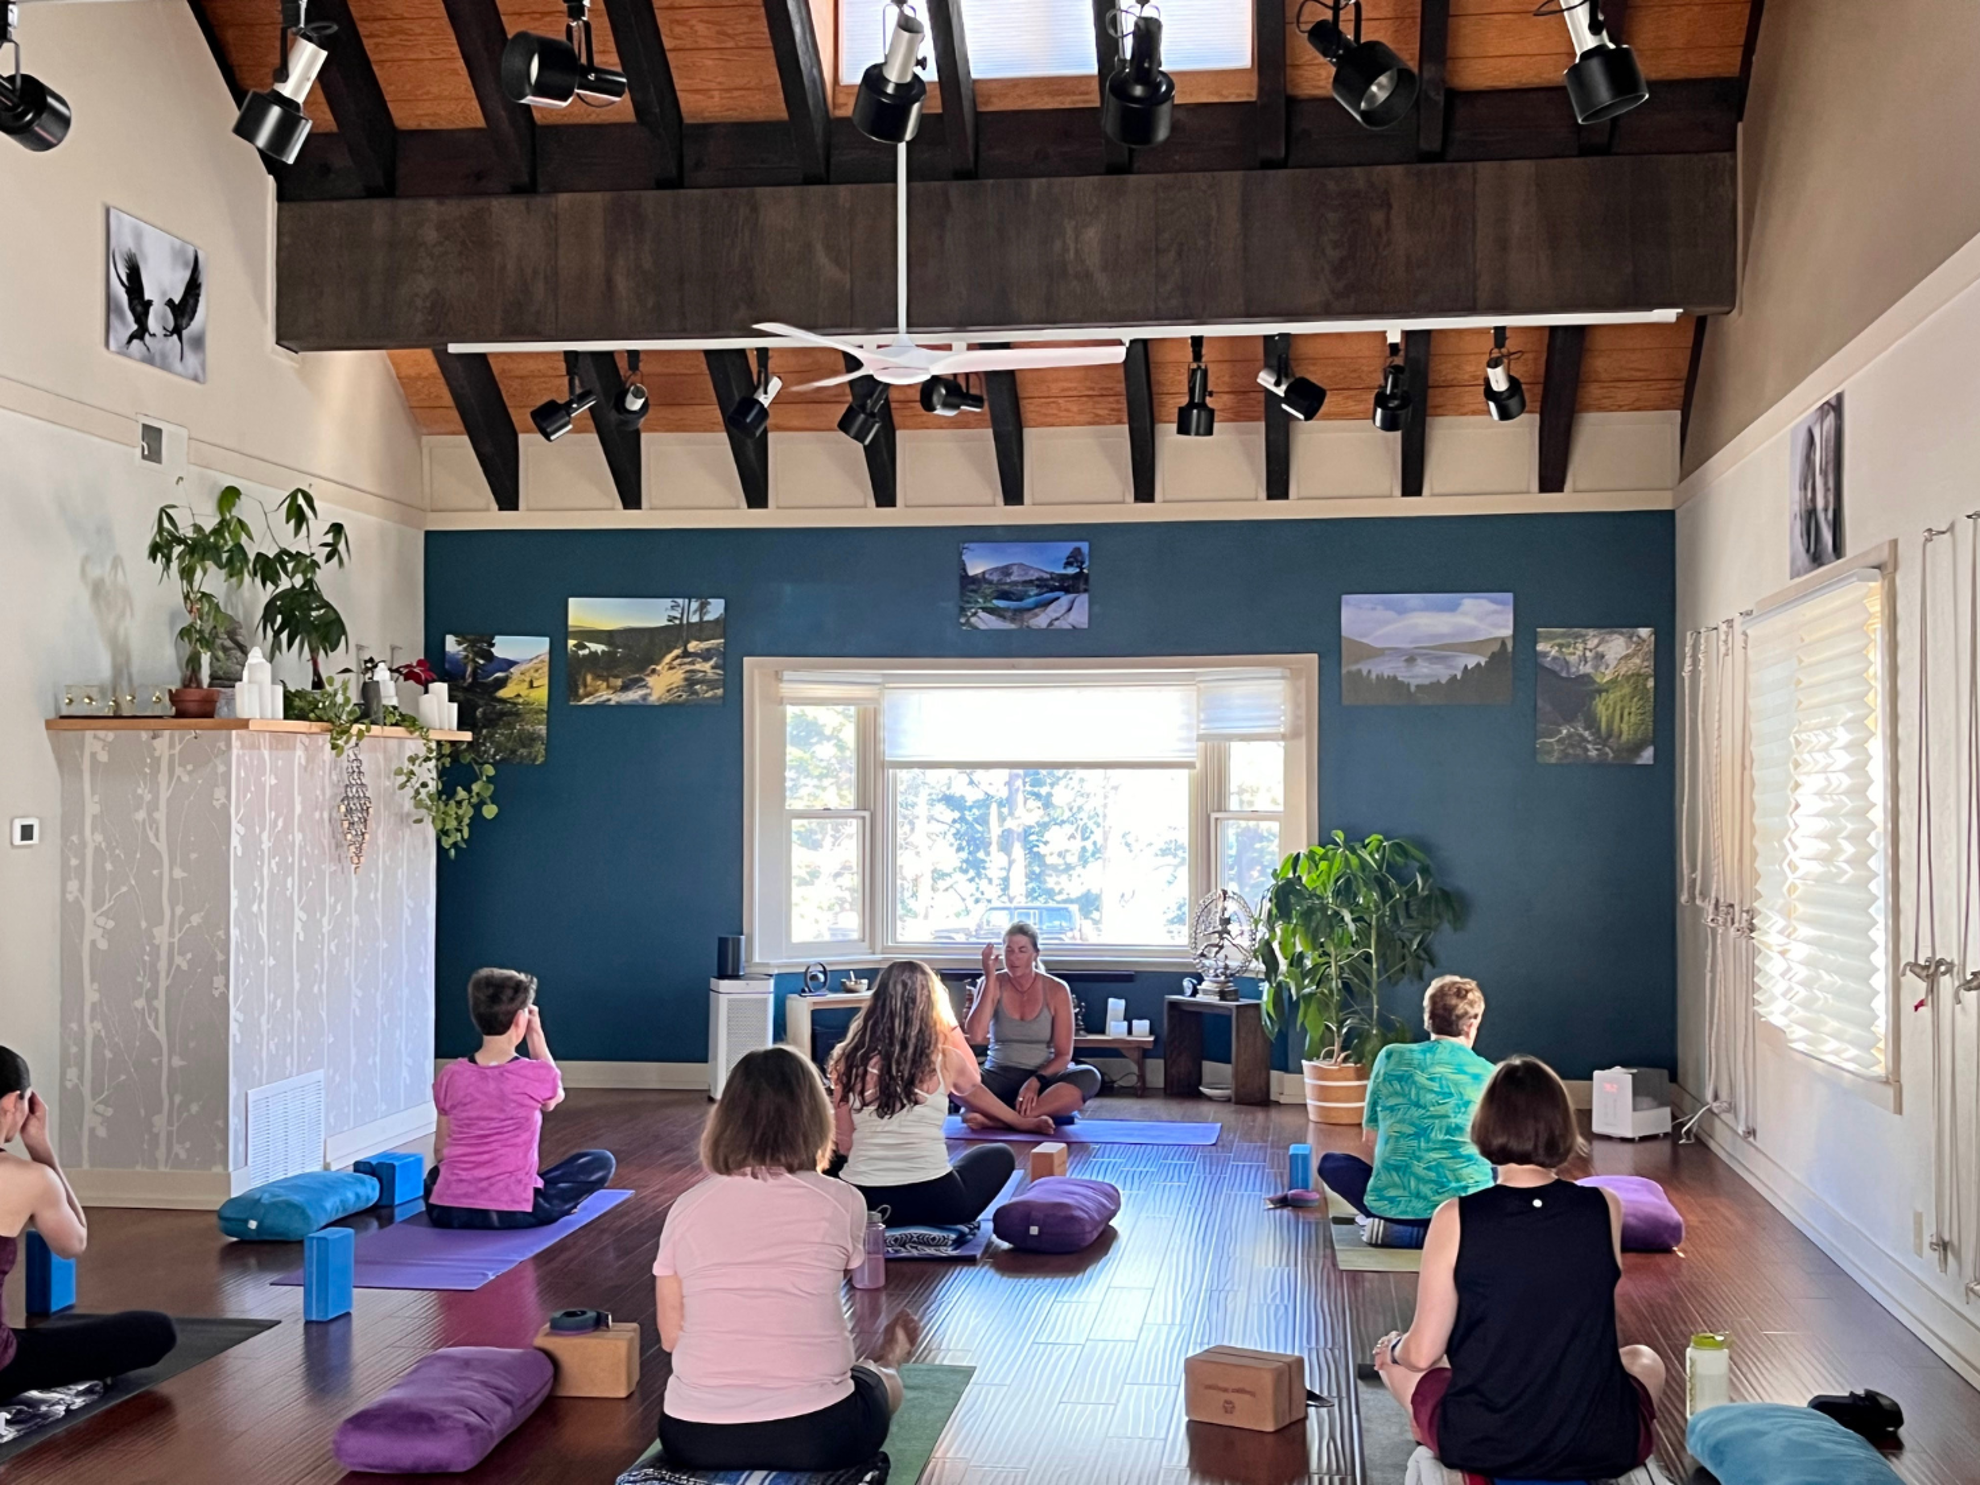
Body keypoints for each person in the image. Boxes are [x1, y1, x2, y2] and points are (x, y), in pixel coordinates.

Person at [1372, 1055, 1666, 1481]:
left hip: (1486, 1442)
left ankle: (1437, 1445)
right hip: (1601, 1441)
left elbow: (1423, 1352)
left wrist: (1393, 1348)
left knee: (1407, 1365)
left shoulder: (1456, 1216)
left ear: (1487, 1125)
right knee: (1644, 1360)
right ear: (1562, 1127)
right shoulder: (1606, 1207)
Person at [655, 1046, 921, 1472]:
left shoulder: (686, 1207)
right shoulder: (842, 1201)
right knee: (880, 1384)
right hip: (819, 1435)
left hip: (693, 1436)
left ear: (725, 1120)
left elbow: (671, 1338)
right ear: (814, 1121)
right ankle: (887, 1363)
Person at [0, 1047, 177, 1400]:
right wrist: (41, 1147)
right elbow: (72, 1243)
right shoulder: (29, 1179)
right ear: (12, 1103)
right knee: (153, 1330)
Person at [831, 961, 1042, 1226]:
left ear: (877, 1003)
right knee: (999, 1154)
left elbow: (846, 1144)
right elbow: (973, 1082)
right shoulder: (946, 1058)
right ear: (932, 1006)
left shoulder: (846, 1060)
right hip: (939, 1204)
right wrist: (949, 1024)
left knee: (828, 1166)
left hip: (867, 1206)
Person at [424, 968, 615, 1230]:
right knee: (601, 1161)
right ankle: (548, 1205)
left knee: (436, 1176)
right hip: (515, 1211)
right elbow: (553, 1096)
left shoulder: (450, 1074)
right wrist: (536, 1034)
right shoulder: (535, 1074)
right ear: (520, 1020)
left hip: (446, 1210)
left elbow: (441, 1151)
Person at [1319, 975, 1495, 1240]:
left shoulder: (1391, 1056)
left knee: (1332, 1163)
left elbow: (1371, 1139)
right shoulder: (1491, 1074)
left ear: (1428, 1019)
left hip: (1392, 1209)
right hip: (1465, 1213)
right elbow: (1495, 1150)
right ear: (1472, 1025)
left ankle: (1400, 1231)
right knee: (1497, 1175)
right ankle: (1448, 1237)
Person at [961, 923, 1101, 1127]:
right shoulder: (991, 982)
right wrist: (990, 979)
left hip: (1043, 1080)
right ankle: (1023, 1120)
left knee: (1089, 1076)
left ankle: (999, 1120)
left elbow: (1063, 1055)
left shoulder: (1057, 989)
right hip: (997, 1077)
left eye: (1022, 950)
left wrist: (1035, 1082)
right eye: (1009, 950)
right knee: (956, 1078)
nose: (1014, 957)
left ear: (1035, 954)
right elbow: (975, 1035)